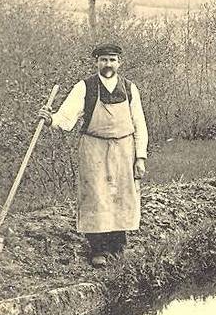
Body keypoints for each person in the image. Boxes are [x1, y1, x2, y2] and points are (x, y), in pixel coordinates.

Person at [39, 43, 148, 268]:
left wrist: (140, 157)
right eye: (103, 60)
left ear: (120, 62)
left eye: (112, 60)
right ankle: (98, 249)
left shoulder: (129, 88)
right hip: (94, 147)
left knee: (122, 195)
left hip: (124, 147)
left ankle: (118, 247)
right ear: (96, 62)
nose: (108, 64)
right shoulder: (85, 87)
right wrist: (50, 119)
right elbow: (66, 116)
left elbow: (140, 124)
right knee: (96, 195)